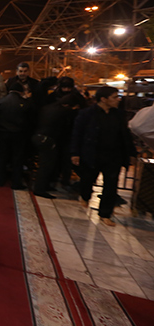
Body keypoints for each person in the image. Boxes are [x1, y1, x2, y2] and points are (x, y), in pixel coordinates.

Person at [70, 86, 137, 226]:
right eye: (114, 97)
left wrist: (131, 153)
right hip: (93, 153)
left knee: (111, 185)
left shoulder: (119, 115)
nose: (118, 99)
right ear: (103, 99)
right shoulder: (87, 114)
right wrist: (75, 153)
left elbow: (125, 135)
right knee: (88, 180)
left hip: (114, 155)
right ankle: (85, 196)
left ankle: (105, 213)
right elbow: (77, 134)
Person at [31, 95, 81, 198]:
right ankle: (39, 189)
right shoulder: (65, 112)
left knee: (45, 164)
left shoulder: (48, 107)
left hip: (38, 136)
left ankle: (44, 186)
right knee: (46, 165)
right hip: (49, 139)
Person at [0, 82, 34, 189]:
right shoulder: (25, 103)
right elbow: (30, 119)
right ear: (20, 91)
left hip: (3, 133)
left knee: (1, 157)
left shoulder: (1, 101)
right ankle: (16, 183)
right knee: (17, 159)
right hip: (19, 134)